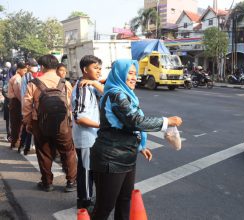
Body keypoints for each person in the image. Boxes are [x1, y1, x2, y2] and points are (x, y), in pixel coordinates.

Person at [90, 59, 182, 219]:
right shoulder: (116, 94)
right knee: (104, 207)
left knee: (125, 201)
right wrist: (166, 121)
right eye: (129, 73)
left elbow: (129, 126)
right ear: (119, 75)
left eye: (135, 73)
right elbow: (135, 121)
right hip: (110, 159)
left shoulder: (125, 94)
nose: (134, 77)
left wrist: (141, 147)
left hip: (126, 156)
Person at [23, 54, 77, 192]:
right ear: (56, 66)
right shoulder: (65, 83)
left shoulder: (33, 83)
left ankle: (47, 183)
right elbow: (70, 104)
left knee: (44, 152)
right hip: (62, 123)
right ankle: (71, 181)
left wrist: (28, 123)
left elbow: (27, 106)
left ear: (42, 66)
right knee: (68, 152)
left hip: (39, 123)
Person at [71, 55, 103, 209]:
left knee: (90, 169)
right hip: (85, 138)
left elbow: (105, 89)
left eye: (100, 68)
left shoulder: (88, 85)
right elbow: (79, 118)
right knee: (85, 170)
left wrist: (94, 82)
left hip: (91, 137)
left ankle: (87, 198)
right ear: (85, 69)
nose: (99, 71)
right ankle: (84, 201)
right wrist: (100, 125)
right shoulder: (82, 88)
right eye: (95, 68)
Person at [19, 58, 40, 155]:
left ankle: (24, 147)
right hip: (34, 105)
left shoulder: (29, 76)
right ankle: (26, 147)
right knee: (30, 127)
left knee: (27, 127)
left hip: (31, 105)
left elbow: (25, 95)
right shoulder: (30, 76)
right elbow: (25, 95)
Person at [8, 61, 28, 149]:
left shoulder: (17, 77)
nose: (25, 72)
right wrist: (24, 103)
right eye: (24, 70)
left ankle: (15, 142)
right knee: (18, 123)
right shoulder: (17, 79)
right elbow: (19, 93)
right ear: (19, 70)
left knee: (15, 123)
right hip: (17, 102)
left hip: (14, 102)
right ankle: (16, 142)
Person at [2, 62, 12, 141]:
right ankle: (9, 136)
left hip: (12, 103)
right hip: (9, 103)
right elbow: (4, 91)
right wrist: (10, 99)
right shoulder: (9, 80)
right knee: (9, 120)